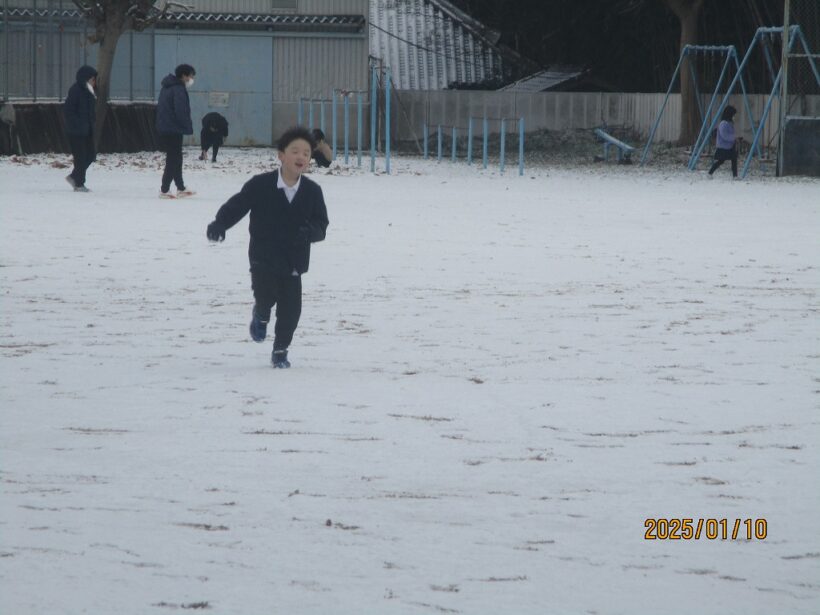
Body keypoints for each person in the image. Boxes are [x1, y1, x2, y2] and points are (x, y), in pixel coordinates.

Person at [206, 127, 329, 369]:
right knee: (266, 295)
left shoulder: (312, 192)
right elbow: (238, 205)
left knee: (291, 311)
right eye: (295, 151)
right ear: (281, 155)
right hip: (263, 258)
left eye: (306, 153)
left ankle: (280, 349)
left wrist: (309, 233)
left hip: (294, 261)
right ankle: (261, 314)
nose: (301, 157)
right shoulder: (260, 185)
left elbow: (321, 224)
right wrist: (221, 223)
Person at [156, 64, 196, 198]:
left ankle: (180, 187)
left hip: (167, 126)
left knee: (176, 157)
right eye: (190, 75)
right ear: (184, 75)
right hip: (173, 128)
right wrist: (186, 126)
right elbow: (181, 111)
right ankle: (164, 189)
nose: (191, 79)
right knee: (173, 158)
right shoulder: (178, 89)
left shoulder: (167, 87)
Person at [63, 65, 98, 192]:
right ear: (86, 78)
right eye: (92, 79)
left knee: (90, 154)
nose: (94, 82)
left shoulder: (90, 91)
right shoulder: (76, 90)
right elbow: (68, 110)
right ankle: (79, 183)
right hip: (76, 130)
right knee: (80, 157)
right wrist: (77, 124)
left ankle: (74, 177)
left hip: (87, 130)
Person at [708, 105, 739, 178]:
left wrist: (735, 138)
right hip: (723, 146)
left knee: (734, 160)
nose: (734, 116)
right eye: (734, 115)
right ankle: (710, 173)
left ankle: (735, 175)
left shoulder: (729, 123)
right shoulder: (723, 124)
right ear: (730, 114)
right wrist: (734, 138)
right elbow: (724, 135)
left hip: (730, 146)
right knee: (721, 161)